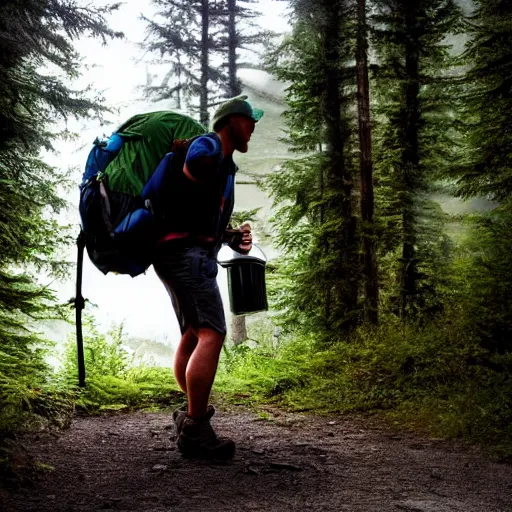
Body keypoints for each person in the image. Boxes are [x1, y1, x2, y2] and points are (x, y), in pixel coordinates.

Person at [152, 95, 264, 460]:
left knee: (192, 333)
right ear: (231, 120)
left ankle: (188, 416)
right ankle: (196, 430)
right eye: (249, 120)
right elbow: (196, 164)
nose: (253, 126)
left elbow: (194, 209)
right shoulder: (210, 145)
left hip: (175, 253)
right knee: (213, 333)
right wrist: (194, 157)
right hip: (187, 256)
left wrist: (232, 236)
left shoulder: (222, 163)